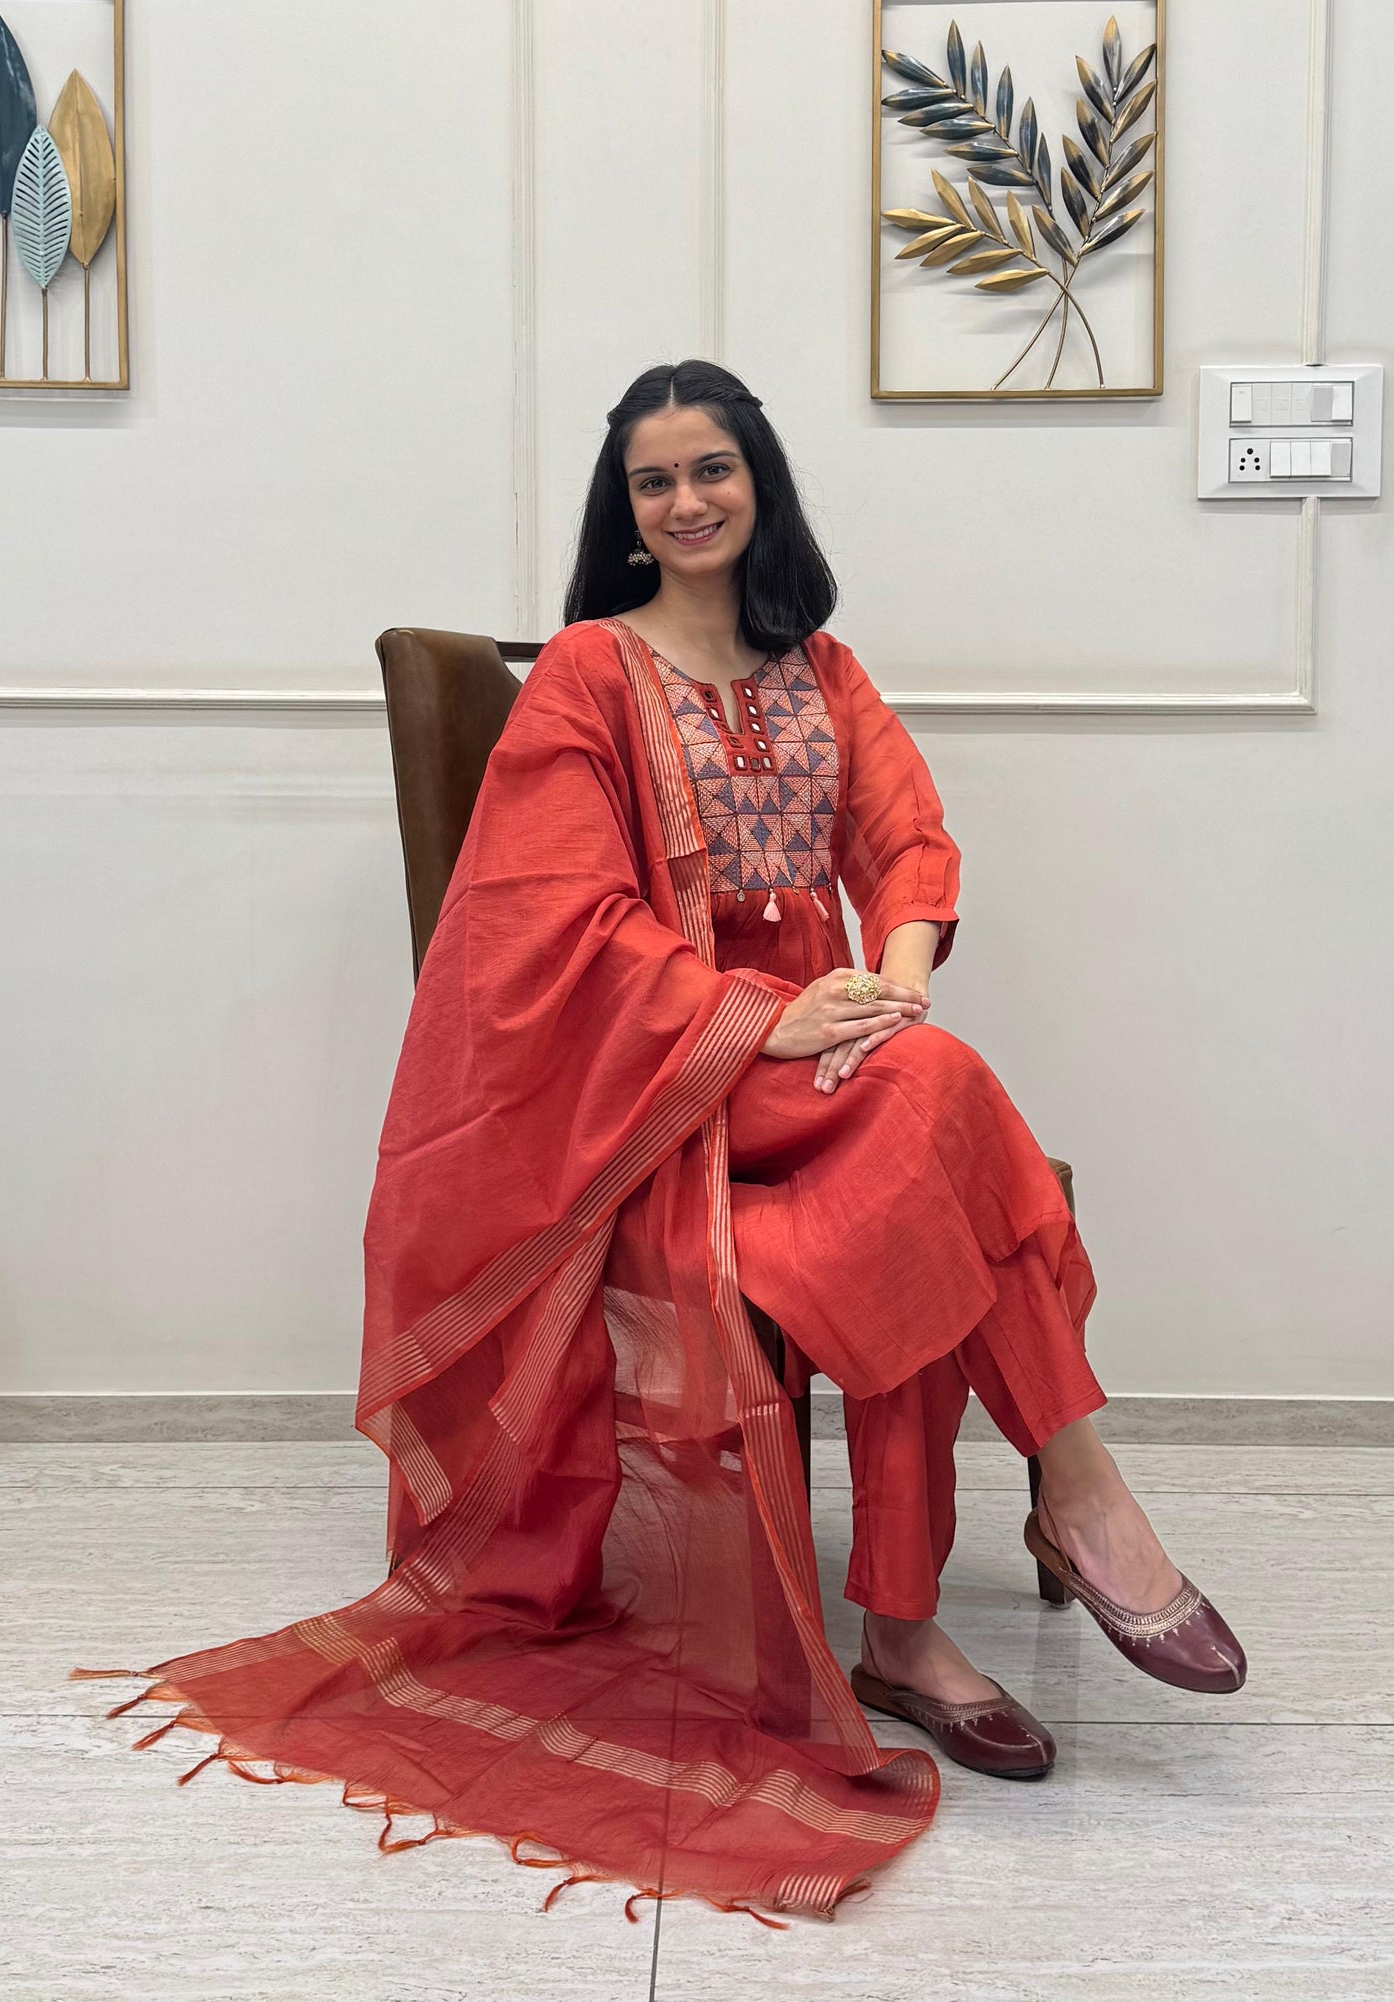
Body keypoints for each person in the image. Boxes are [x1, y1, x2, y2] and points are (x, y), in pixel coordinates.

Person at [72, 360, 1245, 1928]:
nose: (686, 501)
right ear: (622, 510)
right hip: (657, 1093)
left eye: (712, 469)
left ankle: (896, 1629)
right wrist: (763, 1023)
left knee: (906, 1187)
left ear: (759, 479)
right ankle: (1079, 1486)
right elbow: (559, 926)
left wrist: (883, 991)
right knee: (945, 1108)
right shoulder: (583, 673)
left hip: (840, 1068)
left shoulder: (818, 667)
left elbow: (906, 837)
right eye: (652, 480)